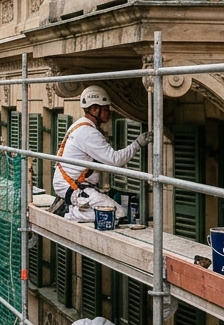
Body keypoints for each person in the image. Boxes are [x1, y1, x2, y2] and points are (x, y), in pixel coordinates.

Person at [52, 86, 151, 223]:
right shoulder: (88, 132)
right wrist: (137, 144)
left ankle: (76, 208)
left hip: (71, 183)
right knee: (117, 213)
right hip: (72, 186)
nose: (108, 113)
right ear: (94, 110)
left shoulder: (81, 125)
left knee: (110, 211)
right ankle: (70, 212)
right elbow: (115, 160)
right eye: (105, 109)